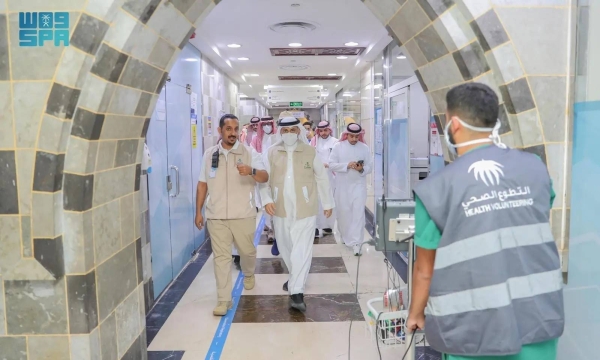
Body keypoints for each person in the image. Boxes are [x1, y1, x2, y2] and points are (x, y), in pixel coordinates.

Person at [406, 83, 564, 360]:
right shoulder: (535, 167)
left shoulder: (437, 188)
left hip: (471, 331)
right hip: (536, 318)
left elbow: (424, 270)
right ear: (494, 121)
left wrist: (416, 313)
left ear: (453, 123)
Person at [195, 114, 269, 316]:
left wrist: (251, 170)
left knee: (247, 252)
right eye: (228, 129)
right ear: (220, 131)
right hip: (216, 215)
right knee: (221, 258)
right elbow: (202, 184)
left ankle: (249, 272)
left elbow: (264, 177)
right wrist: (198, 212)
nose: (233, 133)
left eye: (236, 129)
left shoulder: (249, 152)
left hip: (243, 214)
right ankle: (223, 299)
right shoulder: (210, 155)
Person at [260, 117, 334, 312]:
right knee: (286, 247)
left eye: (293, 130)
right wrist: (267, 199)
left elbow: (322, 177)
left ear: (299, 131)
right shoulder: (272, 152)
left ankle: (297, 292)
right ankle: (295, 278)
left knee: (302, 249)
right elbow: (263, 181)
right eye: (286, 130)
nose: (289, 134)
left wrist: (327, 202)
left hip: (306, 208)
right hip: (280, 208)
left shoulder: (310, 151)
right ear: (280, 133)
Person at [328, 123, 372, 255]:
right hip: (342, 186)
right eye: (351, 136)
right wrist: (346, 165)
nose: (354, 139)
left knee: (358, 214)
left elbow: (370, 166)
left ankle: (356, 243)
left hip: (359, 186)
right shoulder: (338, 147)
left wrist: (361, 169)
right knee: (344, 213)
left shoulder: (364, 148)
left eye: (356, 136)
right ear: (346, 135)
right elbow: (331, 165)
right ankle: (346, 237)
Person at [250, 116, 278, 248]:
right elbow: (253, 156)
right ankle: (270, 228)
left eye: (269, 124)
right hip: (262, 176)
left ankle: (277, 227)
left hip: (277, 174)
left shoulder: (277, 138)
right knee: (265, 201)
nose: (267, 126)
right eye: (264, 124)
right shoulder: (256, 139)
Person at [310, 120, 338, 238]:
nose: (323, 133)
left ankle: (328, 225)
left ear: (329, 130)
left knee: (329, 199)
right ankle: (315, 226)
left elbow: (337, 159)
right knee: (316, 200)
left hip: (331, 175)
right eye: (321, 131)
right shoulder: (314, 141)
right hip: (316, 175)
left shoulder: (335, 142)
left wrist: (329, 165)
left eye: (325, 130)